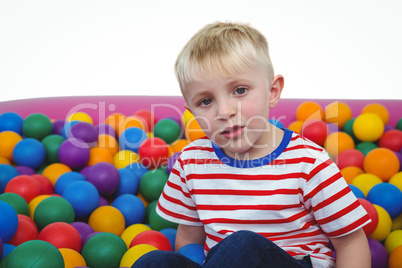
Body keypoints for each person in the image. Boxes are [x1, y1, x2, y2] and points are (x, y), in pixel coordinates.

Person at [133, 21, 371, 268]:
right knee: (154, 261)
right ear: (191, 111)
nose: (224, 111)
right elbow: (189, 240)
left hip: (293, 262)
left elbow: (351, 243)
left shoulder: (308, 162)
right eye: (206, 101)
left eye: (240, 90)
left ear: (272, 91)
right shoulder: (191, 161)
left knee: (241, 246)